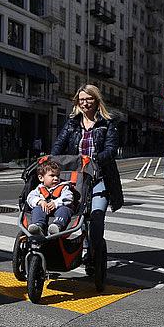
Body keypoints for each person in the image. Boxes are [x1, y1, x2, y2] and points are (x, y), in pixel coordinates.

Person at [51, 84, 124, 272]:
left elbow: (111, 150)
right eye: (81, 99)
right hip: (76, 179)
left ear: (97, 100)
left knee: (96, 217)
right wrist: (52, 161)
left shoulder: (107, 122)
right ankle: (61, 251)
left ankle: (94, 253)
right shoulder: (72, 123)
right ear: (77, 102)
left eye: (89, 99)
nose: (85, 103)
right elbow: (59, 144)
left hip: (100, 177)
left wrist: (94, 160)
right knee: (69, 214)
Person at [26, 160, 74, 235]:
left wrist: (56, 203)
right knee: (37, 209)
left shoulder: (63, 187)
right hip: (44, 210)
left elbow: (68, 197)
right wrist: (40, 201)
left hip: (59, 208)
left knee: (64, 210)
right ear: (41, 178)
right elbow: (30, 197)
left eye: (57, 176)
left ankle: (57, 226)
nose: (56, 178)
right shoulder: (39, 189)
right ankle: (38, 226)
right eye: (52, 175)